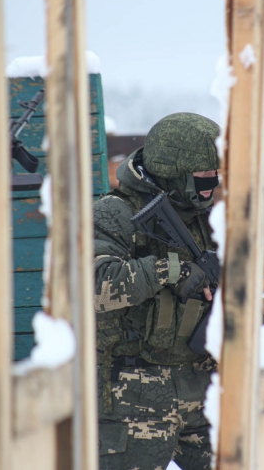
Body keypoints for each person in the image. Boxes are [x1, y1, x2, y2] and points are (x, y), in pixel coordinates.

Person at [93, 112, 220, 470]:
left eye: (214, 178)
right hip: (134, 394)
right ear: (173, 174)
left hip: (203, 390)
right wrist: (170, 270)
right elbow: (94, 285)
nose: (210, 188)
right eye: (202, 179)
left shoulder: (206, 219)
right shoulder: (113, 214)